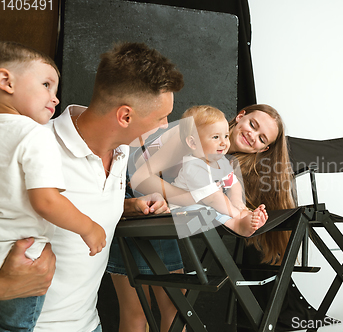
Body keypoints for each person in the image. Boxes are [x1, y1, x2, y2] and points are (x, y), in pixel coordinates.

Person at [107, 103, 305, 331]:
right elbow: (139, 178)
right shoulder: (193, 131)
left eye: (262, 139)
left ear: (262, 150)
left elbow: (227, 197)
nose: (252, 135)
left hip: (159, 213)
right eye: (252, 124)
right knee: (139, 311)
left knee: (172, 308)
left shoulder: (226, 162)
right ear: (240, 116)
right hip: (130, 199)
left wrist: (240, 211)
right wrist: (192, 199)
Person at [32, 41, 183, 332]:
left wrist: (129, 207)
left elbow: (78, 201)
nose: (166, 126)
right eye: (161, 117)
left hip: (89, 325)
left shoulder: (122, 151)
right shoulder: (35, 148)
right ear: (125, 116)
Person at [0, 41, 106, 331]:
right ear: (5, 81)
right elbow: (46, 200)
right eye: (46, 85)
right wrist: (89, 227)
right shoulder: (35, 135)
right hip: (22, 261)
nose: (55, 98)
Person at [170, 105, 268, 237]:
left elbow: (233, 183)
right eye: (216, 137)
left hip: (206, 205)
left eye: (226, 136)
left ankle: (242, 219)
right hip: (179, 214)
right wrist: (238, 214)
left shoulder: (221, 162)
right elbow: (213, 198)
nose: (224, 143)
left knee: (213, 209)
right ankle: (237, 225)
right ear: (193, 143)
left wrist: (238, 203)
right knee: (207, 211)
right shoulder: (193, 166)